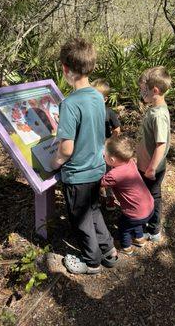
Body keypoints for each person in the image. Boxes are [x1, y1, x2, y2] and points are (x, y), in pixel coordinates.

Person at [51, 38, 118, 274]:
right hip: (96, 167)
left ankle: (91, 261)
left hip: (77, 173)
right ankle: (109, 251)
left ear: (65, 69)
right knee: (93, 211)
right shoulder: (98, 97)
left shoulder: (69, 104)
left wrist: (54, 162)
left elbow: (66, 149)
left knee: (81, 219)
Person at [101, 136, 154, 256]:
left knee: (124, 227)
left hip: (135, 212)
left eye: (105, 154)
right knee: (136, 223)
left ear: (112, 160)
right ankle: (139, 239)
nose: (103, 155)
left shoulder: (114, 175)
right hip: (148, 206)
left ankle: (126, 247)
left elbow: (101, 182)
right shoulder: (130, 162)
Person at [137, 66, 171, 243]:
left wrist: (151, 168)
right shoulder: (153, 109)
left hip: (151, 168)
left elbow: (161, 144)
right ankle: (146, 222)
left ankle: (153, 228)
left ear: (155, 90)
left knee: (152, 196)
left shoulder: (159, 115)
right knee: (147, 195)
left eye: (143, 90)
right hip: (145, 165)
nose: (141, 93)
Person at [91, 79, 121, 211]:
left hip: (106, 149)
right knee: (95, 172)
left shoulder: (109, 112)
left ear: (105, 99)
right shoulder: (89, 112)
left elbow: (117, 129)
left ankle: (110, 198)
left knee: (109, 173)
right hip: (92, 148)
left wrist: (110, 141)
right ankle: (98, 197)